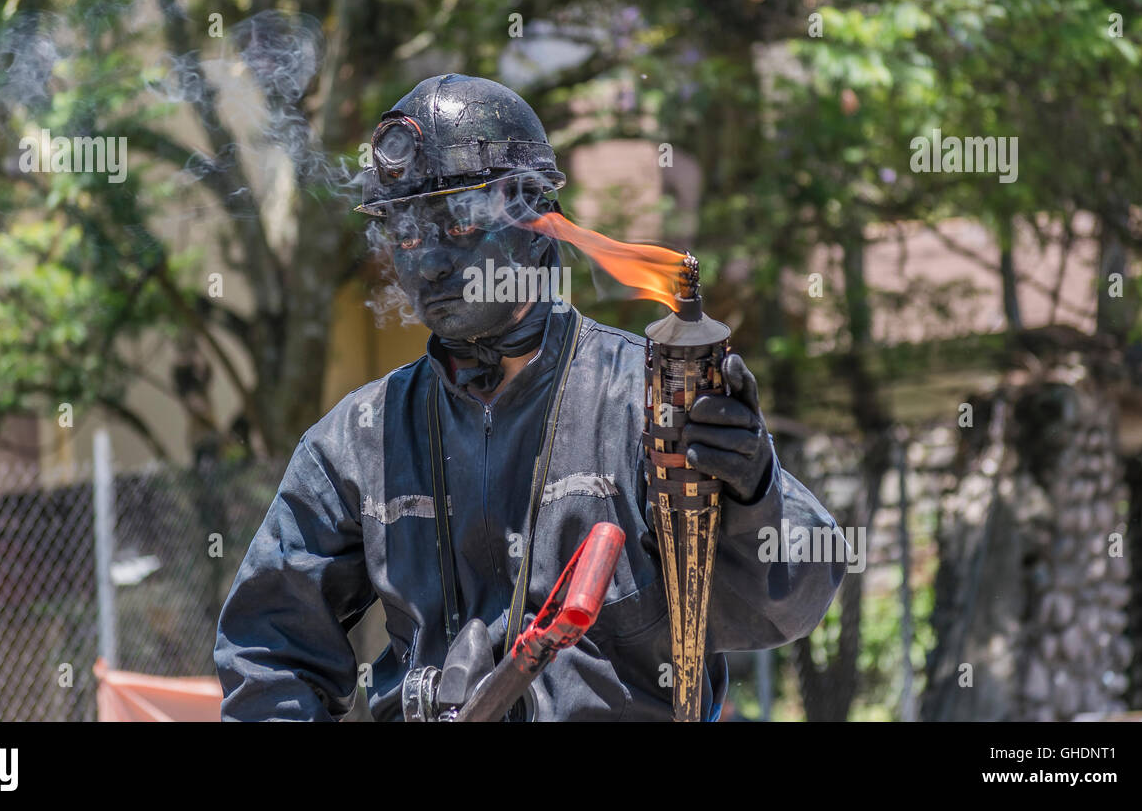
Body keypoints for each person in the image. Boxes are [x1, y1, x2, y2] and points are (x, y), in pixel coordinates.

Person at [214, 73, 845, 721]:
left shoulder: (647, 405)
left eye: (456, 225)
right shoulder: (358, 442)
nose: (427, 261)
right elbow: (269, 650)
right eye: (405, 232)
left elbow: (791, 601)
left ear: (539, 222)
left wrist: (751, 492)